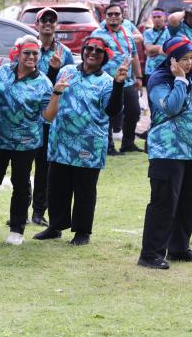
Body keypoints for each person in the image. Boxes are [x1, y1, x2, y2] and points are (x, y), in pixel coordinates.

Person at [33, 36, 127, 246]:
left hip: (89, 145)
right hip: (61, 141)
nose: (92, 53)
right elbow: (50, 93)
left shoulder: (106, 82)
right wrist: (53, 70)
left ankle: (82, 231)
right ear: (83, 51)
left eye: (98, 51)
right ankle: (55, 226)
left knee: (84, 189)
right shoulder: (67, 71)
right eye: (89, 48)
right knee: (57, 187)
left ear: (104, 57)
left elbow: (113, 110)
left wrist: (119, 84)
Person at [137, 36, 192, 269]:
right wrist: (180, 80)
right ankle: (150, 254)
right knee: (164, 203)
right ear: (172, 60)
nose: (190, 63)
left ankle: (179, 248)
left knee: (189, 201)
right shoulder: (159, 79)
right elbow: (171, 108)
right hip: (167, 151)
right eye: (184, 59)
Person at [0, 35, 53, 244]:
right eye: (27, 53)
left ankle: (17, 230)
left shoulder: (44, 83)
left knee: (21, 183)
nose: (31, 57)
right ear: (18, 53)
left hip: (26, 142)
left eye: (35, 53)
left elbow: (47, 115)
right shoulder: (3, 71)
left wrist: (58, 95)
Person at [32, 7, 73, 227]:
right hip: (28, 116)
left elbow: (69, 83)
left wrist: (55, 70)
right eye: (44, 20)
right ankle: (18, 210)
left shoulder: (64, 52)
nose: (48, 23)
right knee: (22, 166)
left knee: (43, 166)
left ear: (56, 25)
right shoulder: (29, 48)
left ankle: (39, 212)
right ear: (37, 24)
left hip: (50, 116)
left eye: (52, 20)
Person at [91, 3, 144, 155]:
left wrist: (139, 77)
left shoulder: (127, 33)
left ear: (122, 16)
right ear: (105, 16)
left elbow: (134, 55)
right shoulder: (98, 35)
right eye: (110, 14)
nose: (113, 17)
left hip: (127, 81)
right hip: (106, 82)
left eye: (117, 14)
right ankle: (108, 146)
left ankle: (128, 143)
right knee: (108, 114)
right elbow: (91, 57)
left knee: (134, 111)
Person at [143, 8, 169, 86]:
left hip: (165, 70)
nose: (156, 19)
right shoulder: (147, 33)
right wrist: (163, 49)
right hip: (150, 70)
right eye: (154, 17)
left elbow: (170, 50)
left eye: (159, 16)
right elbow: (148, 49)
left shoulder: (169, 32)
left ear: (164, 17)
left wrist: (153, 50)